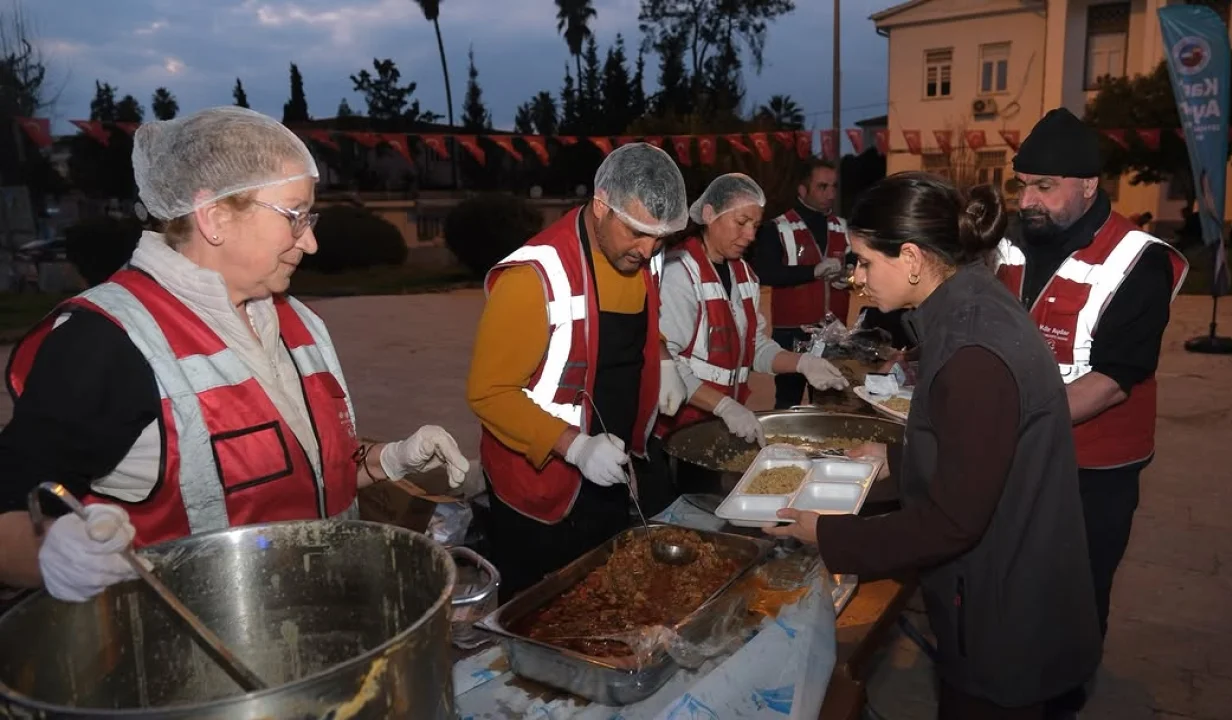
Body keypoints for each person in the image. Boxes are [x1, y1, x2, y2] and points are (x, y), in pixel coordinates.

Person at [0, 107, 469, 601]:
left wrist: (385, 460)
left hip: (320, 626)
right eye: (295, 216)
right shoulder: (105, 341)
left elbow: (299, 474)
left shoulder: (297, 322)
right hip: (189, 660)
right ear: (215, 216)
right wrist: (47, 552)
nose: (309, 242)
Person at [766, 173, 1101, 719]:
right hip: (1007, 584)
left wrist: (829, 535)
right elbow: (979, 452)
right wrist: (893, 459)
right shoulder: (968, 306)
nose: (858, 278)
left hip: (1004, 613)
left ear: (913, 258)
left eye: (866, 262)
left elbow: (953, 520)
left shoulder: (973, 351)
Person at [997, 108, 1187, 645]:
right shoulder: (1012, 242)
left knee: (1076, 585)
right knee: (1014, 570)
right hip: (1020, 447)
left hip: (1095, 464)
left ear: (1087, 185)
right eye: (1023, 186)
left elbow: (1112, 380)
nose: (1028, 200)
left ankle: (1066, 690)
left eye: (1045, 187)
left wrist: (1008, 421)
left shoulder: (1138, 261)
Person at [467, 143, 689, 601]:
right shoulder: (533, 277)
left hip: (610, 472)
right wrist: (575, 447)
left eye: (659, 238)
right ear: (601, 205)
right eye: (636, 232)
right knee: (543, 610)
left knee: (604, 598)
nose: (648, 250)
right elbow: (488, 394)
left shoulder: (638, 256)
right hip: (542, 489)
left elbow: (638, 330)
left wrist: (663, 357)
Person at [656, 174, 848, 448]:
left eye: (755, 225)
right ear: (709, 214)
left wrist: (802, 363)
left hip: (721, 422)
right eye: (741, 223)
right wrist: (723, 406)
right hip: (679, 428)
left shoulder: (744, 274)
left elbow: (754, 347)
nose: (750, 235)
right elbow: (665, 363)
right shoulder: (679, 273)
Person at [752, 158, 853, 409]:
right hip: (791, 332)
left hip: (834, 332)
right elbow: (765, 273)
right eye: (822, 187)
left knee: (832, 403)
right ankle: (782, 448)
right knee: (787, 403)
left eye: (834, 187)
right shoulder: (776, 227)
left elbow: (858, 270)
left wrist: (848, 280)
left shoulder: (844, 227)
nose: (830, 193)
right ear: (802, 190)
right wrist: (813, 271)